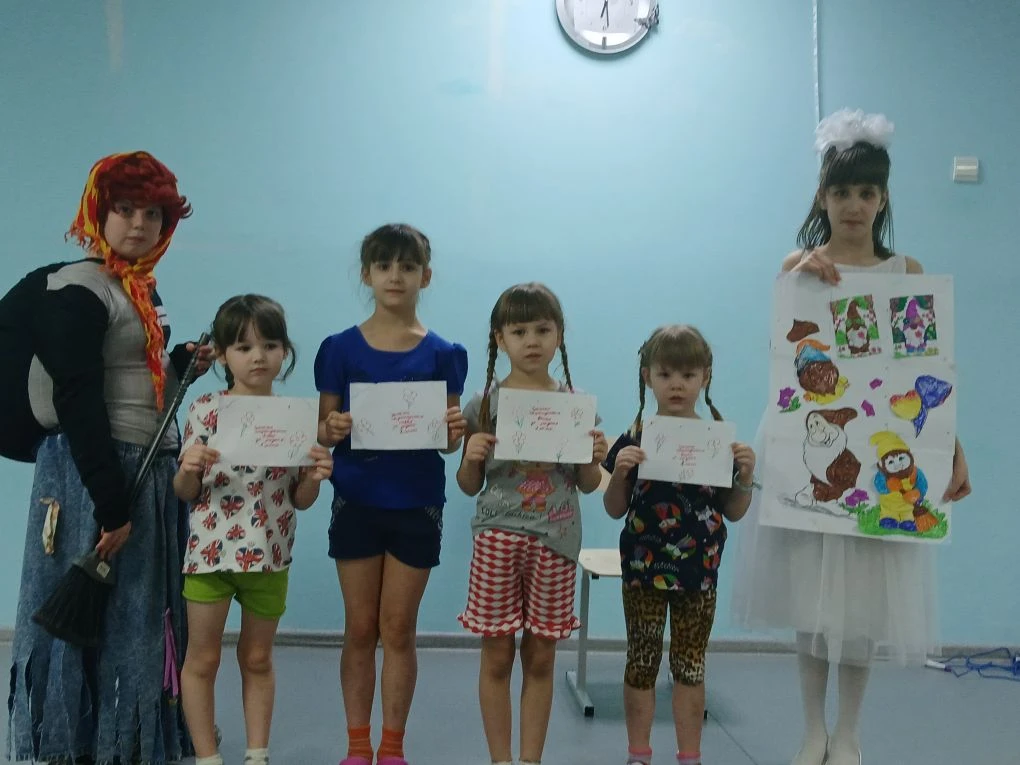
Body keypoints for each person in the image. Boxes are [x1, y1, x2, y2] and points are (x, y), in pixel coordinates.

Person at [731, 109, 973, 765]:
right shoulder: (800, 266)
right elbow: (786, 351)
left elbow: (927, 371)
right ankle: (813, 729)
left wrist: (949, 446)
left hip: (882, 457)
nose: (854, 205)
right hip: (808, 446)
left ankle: (850, 732)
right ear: (823, 197)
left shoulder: (907, 273)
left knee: (863, 606)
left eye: (867, 192)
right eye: (841, 192)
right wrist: (801, 275)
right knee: (811, 600)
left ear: (883, 198)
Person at [7, 151, 210, 764]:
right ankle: (74, 745)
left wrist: (181, 364)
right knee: (97, 611)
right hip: (90, 472)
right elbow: (77, 398)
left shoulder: (140, 289)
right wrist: (109, 503)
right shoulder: (76, 288)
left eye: (153, 215)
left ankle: (128, 744)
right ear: (98, 213)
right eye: (124, 209)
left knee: (140, 612)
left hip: (141, 465)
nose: (139, 225)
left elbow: (138, 382)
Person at [314, 224, 468, 765]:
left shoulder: (445, 353)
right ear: (367, 275)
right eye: (384, 266)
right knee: (360, 627)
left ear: (426, 275)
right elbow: (322, 429)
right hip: (356, 499)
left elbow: (447, 440)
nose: (395, 276)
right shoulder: (339, 349)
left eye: (407, 266)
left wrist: (454, 433)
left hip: (417, 503)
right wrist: (332, 428)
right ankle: (358, 745)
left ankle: (393, 747)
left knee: (398, 628)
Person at [175, 295, 334, 765]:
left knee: (259, 658)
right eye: (243, 347)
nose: (258, 356)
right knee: (202, 659)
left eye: (269, 345)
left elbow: (300, 500)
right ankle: (207, 756)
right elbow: (185, 491)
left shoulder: (295, 419)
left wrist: (314, 476)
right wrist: (188, 467)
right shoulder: (205, 409)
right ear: (223, 356)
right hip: (209, 556)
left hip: (271, 555)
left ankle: (257, 754)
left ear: (285, 351)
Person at [456, 282, 608, 765]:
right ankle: (501, 759)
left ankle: (530, 760)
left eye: (542, 329)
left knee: (541, 658)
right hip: (498, 537)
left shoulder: (576, 404)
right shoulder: (483, 404)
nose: (531, 341)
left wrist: (594, 458)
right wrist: (472, 456)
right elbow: (467, 484)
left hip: (556, 541)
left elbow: (588, 484)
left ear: (559, 335)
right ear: (499, 338)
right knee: (497, 656)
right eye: (518, 331)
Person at [602, 325, 755, 765]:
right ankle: (638, 754)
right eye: (666, 374)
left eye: (688, 375)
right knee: (641, 660)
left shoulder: (717, 442)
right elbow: (614, 508)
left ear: (705, 377)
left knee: (690, 665)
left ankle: (690, 755)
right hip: (643, 572)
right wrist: (620, 474)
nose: (676, 385)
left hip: (698, 573)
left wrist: (745, 476)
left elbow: (734, 510)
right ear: (647, 376)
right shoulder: (634, 438)